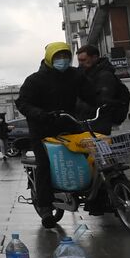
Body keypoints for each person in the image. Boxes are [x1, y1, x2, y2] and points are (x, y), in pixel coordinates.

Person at [17, 42, 100, 223]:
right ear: (49, 58)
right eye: (58, 57)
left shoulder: (75, 76)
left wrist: (102, 102)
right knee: (45, 164)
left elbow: (90, 95)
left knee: (92, 155)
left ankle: (96, 198)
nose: (62, 60)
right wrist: (40, 114)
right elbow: (23, 103)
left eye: (65, 56)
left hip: (70, 125)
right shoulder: (35, 80)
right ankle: (46, 207)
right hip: (43, 129)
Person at [75, 44, 130, 135]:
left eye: (84, 60)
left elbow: (102, 100)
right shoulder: (85, 75)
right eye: (79, 60)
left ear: (95, 58)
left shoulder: (104, 76)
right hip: (88, 123)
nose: (80, 63)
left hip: (98, 124)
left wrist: (78, 108)